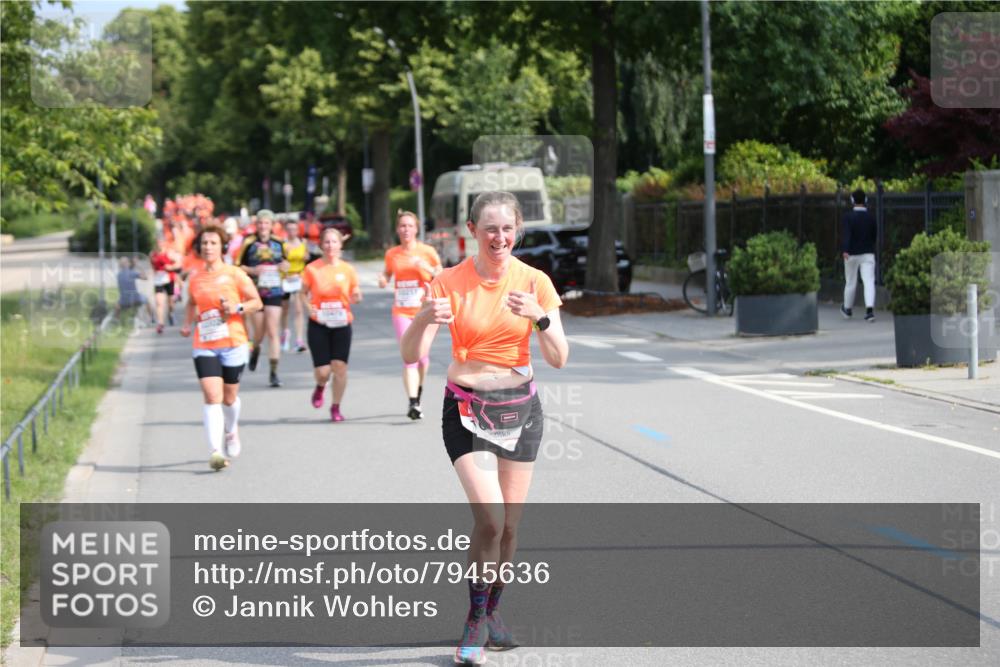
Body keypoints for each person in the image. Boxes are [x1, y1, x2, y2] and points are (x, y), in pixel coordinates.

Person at [401, 191, 568, 665]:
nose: (500, 237)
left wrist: (540, 319)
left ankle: (494, 611)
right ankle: (474, 619)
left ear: (517, 232)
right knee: (490, 521)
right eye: (489, 228)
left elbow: (559, 357)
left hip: (521, 409)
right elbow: (412, 355)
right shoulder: (447, 281)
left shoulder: (535, 282)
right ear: (471, 230)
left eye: (507, 228)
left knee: (511, 528)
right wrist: (420, 318)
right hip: (466, 408)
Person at [180, 223, 262, 471]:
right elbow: (192, 304)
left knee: (229, 398)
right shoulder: (195, 278)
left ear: (222, 247)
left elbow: (256, 302)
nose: (208, 247)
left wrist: (236, 309)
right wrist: (186, 324)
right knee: (212, 396)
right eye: (204, 243)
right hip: (204, 342)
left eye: (213, 243)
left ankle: (231, 430)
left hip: (233, 342)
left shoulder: (235, 274)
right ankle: (215, 451)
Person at [378, 209, 443, 419]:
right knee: (410, 357)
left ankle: (419, 389)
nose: (406, 230)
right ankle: (413, 402)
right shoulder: (392, 254)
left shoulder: (428, 251)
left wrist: (428, 268)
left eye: (410, 226)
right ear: (398, 230)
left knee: (423, 359)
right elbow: (387, 273)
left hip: (425, 312)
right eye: (402, 226)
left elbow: (443, 276)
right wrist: (382, 279)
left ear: (416, 229)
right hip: (402, 312)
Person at [301, 227, 361, 422]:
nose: (330, 246)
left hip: (342, 323)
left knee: (340, 367)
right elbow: (302, 292)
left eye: (334, 242)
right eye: (326, 242)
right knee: (323, 371)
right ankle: (320, 386)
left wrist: (357, 296)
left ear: (340, 244)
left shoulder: (347, 269)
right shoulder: (312, 268)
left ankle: (336, 407)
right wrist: (308, 308)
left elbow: (355, 293)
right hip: (319, 323)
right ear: (321, 245)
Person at [236, 209, 289, 387]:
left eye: (267, 223)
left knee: (273, 331)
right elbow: (238, 267)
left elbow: (288, 264)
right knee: (259, 332)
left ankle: (274, 372)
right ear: (256, 225)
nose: (263, 226)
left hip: (274, 290)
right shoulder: (249, 243)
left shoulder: (279, 242)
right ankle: (256, 348)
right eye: (260, 223)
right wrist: (252, 270)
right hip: (255, 292)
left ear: (272, 225)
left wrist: (284, 267)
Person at [841, 189, 878, 322]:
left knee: (850, 281)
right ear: (866, 201)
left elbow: (846, 235)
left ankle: (847, 308)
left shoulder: (848, 217)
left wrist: (845, 249)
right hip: (868, 253)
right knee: (869, 281)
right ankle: (869, 311)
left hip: (851, 254)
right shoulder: (871, 217)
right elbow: (874, 235)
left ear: (852, 201)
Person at [281, 219, 309, 352]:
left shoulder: (303, 243)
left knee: (299, 309)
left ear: (298, 231)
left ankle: (299, 340)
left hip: (299, 277)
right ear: (286, 231)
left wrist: (306, 257)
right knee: (285, 309)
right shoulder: (283, 245)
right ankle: (285, 333)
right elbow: (279, 261)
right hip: (285, 278)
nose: (292, 232)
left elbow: (308, 256)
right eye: (289, 229)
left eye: (294, 229)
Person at [150, 240, 182, 334]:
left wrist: (171, 267)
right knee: (159, 302)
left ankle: (170, 313)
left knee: (170, 302)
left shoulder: (169, 253)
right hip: (158, 280)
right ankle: (160, 323)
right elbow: (151, 264)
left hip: (169, 279)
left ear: (164, 244)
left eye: (161, 243)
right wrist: (154, 271)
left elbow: (179, 264)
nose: (159, 245)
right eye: (158, 243)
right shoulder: (152, 254)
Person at [114, 256, 154, 324]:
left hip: (123, 300)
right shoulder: (132, 273)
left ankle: (116, 321)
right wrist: (138, 266)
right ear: (128, 264)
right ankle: (152, 318)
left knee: (117, 305)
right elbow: (145, 278)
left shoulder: (118, 275)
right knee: (147, 300)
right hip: (135, 298)